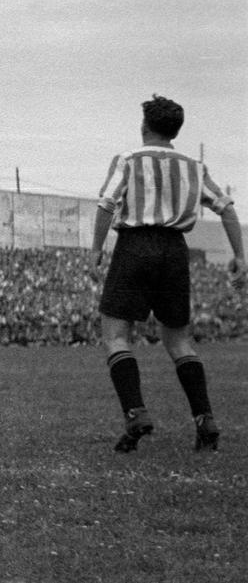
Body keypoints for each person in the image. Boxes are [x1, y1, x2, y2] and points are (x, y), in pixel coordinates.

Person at [92, 95, 245, 453]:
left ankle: (136, 413)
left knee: (115, 334)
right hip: (176, 249)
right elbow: (226, 209)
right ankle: (205, 420)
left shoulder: (129, 160)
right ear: (175, 130)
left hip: (134, 245)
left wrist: (97, 249)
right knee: (178, 341)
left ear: (144, 126)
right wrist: (240, 255)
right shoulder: (194, 165)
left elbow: (106, 204)